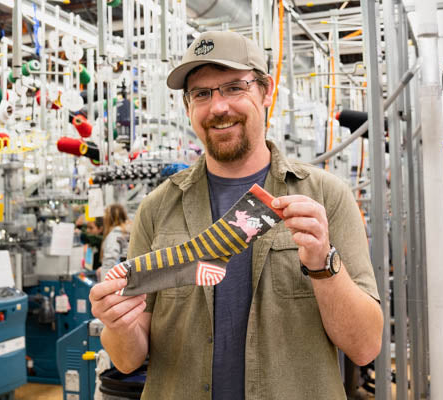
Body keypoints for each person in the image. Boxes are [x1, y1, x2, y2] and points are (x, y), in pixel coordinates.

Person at [90, 31, 383, 400]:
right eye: (202, 94)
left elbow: (365, 346)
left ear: (266, 92)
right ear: (188, 107)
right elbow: (128, 358)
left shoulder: (326, 197)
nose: (218, 107)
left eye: (233, 87)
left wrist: (324, 265)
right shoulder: (156, 209)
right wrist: (116, 324)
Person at [99, 204, 131, 280]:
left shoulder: (115, 234)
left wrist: (104, 282)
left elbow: (110, 259)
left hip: (115, 280)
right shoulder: (129, 231)